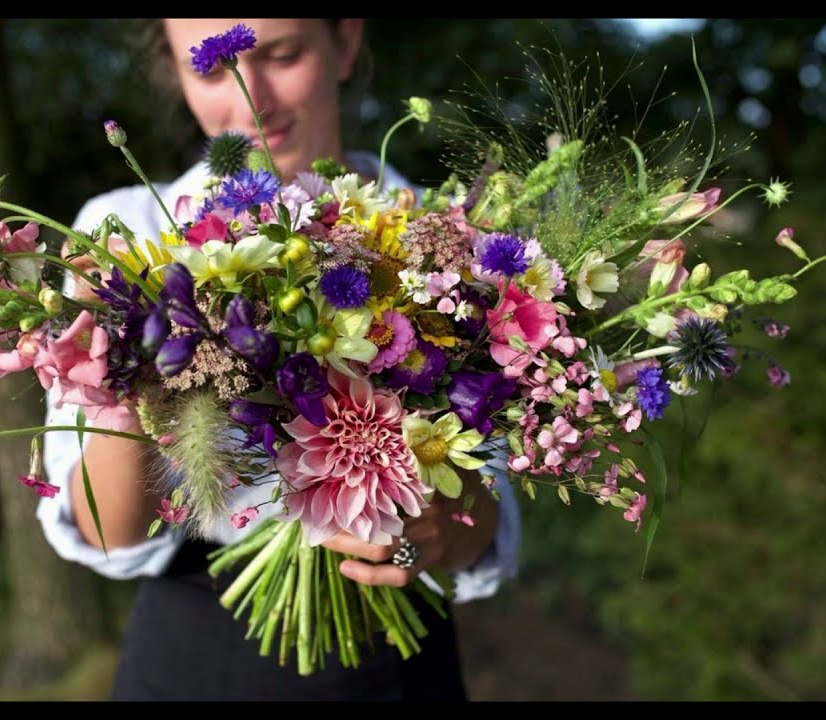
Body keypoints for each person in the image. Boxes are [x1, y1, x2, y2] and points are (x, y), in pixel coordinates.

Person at [36, 18, 521, 702]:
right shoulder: (125, 236)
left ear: (346, 42)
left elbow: (483, 508)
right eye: (209, 69)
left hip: (396, 663)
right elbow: (109, 533)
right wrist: (119, 361)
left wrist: (425, 539)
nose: (250, 97)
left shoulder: (446, 237)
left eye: (282, 55)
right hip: (195, 660)